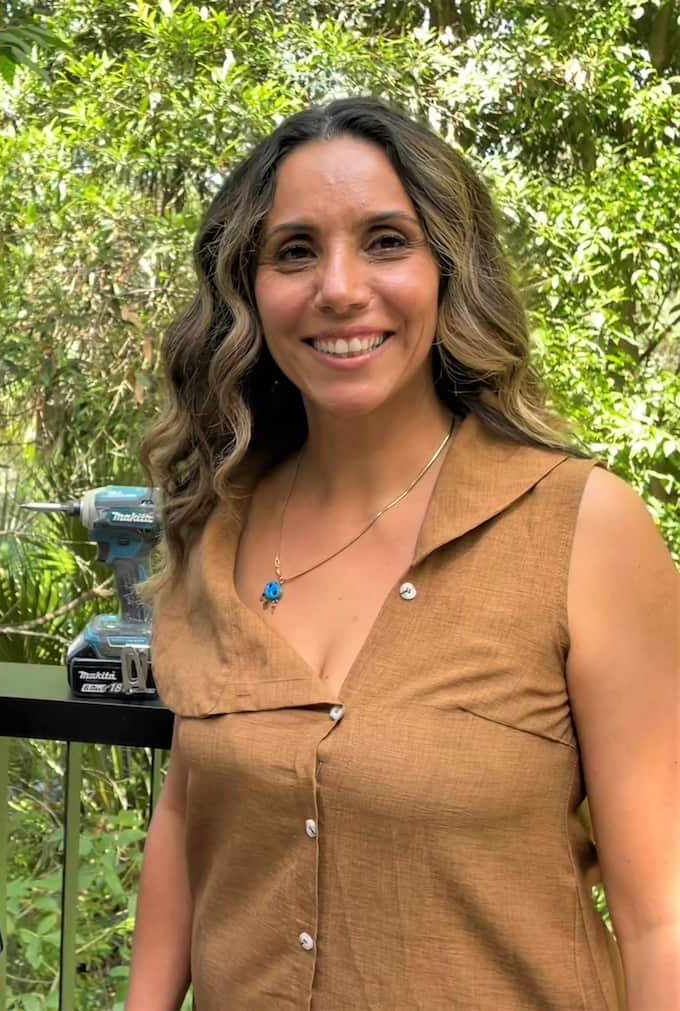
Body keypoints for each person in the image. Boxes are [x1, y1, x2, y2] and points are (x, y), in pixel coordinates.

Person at [125, 97, 678, 1010]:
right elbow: (189, 815)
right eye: (294, 250)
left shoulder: (582, 529)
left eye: (386, 241)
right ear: (248, 290)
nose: (339, 288)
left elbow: (663, 912)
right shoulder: (215, 527)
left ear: (449, 272)